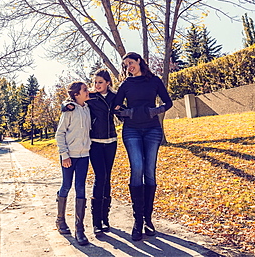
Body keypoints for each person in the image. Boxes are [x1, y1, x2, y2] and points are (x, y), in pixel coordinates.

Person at [114, 52, 173, 241]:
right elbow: (116, 107)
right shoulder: (126, 84)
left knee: (150, 171)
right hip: (131, 131)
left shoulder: (154, 81)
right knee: (137, 168)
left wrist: (153, 112)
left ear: (139, 61)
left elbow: (168, 102)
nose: (128, 67)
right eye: (126, 65)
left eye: (131, 63)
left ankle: (148, 219)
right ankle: (137, 220)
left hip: (152, 130)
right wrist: (129, 113)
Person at [61, 69, 118, 236]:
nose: (96, 85)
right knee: (100, 178)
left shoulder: (114, 96)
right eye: (95, 83)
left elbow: (121, 109)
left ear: (108, 82)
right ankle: (96, 221)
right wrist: (65, 105)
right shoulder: (91, 97)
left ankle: (105, 218)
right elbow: (72, 100)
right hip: (95, 144)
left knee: (107, 178)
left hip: (111, 141)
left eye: (100, 82)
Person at [55, 81, 91, 246]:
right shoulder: (69, 110)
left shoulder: (87, 108)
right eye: (84, 90)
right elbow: (59, 134)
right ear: (76, 94)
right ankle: (60, 220)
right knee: (66, 186)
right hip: (69, 157)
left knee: (81, 188)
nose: (87, 91)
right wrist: (64, 155)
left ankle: (79, 229)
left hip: (84, 156)